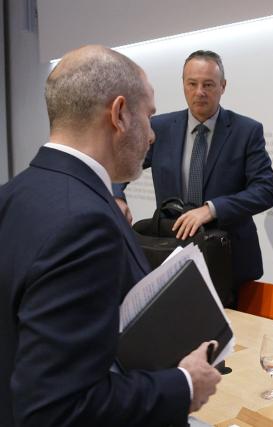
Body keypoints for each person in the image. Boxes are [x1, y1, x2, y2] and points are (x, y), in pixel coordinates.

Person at [0, 45, 221, 427]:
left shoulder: (13, 194)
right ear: (119, 114)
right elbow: (58, 409)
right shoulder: (85, 222)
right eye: (148, 116)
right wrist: (184, 385)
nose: (152, 135)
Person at [113, 50, 273, 300]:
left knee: (233, 324)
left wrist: (212, 209)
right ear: (183, 85)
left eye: (208, 84)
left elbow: (264, 191)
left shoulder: (246, 131)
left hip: (228, 257)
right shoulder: (160, 128)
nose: (199, 92)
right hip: (171, 250)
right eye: (192, 83)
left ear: (223, 86)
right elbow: (122, 165)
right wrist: (117, 197)